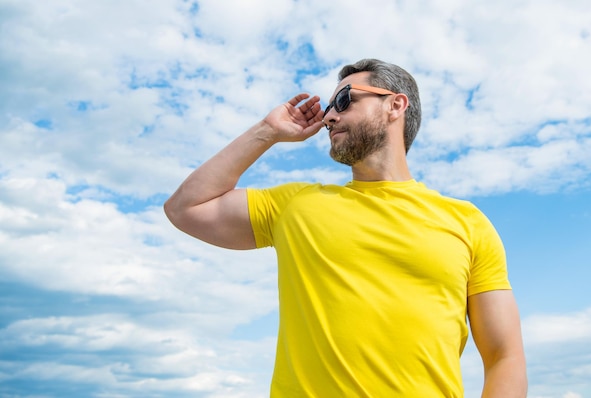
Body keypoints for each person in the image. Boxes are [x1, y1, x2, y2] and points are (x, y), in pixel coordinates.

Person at [164, 59, 527, 397]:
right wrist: (267, 131)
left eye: (343, 100)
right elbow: (185, 208)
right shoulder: (295, 205)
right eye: (327, 109)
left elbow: (504, 355)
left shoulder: (467, 222)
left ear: (395, 105)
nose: (328, 118)